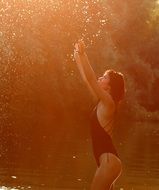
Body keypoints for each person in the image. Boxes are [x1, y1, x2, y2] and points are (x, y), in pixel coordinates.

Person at [74, 39, 125, 190]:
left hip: (108, 162)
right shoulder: (103, 102)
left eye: (104, 78)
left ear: (109, 87)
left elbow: (90, 78)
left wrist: (84, 54)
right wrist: (79, 57)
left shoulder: (109, 102)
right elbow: (86, 80)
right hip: (109, 162)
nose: (100, 78)